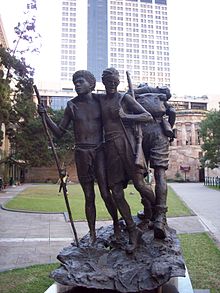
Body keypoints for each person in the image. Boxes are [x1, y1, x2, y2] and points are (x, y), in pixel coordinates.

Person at [38, 70, 119, 244]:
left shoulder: (100, 101)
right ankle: (92, 234)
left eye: (80, 82)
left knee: (105, 193)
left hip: (99, 152)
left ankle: (117, 226)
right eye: (75, 83)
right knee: (89, 196)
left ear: (91, 84)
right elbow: (59, 132)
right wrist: (45, 117)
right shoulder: (71, 106)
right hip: (82, 153)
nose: (77, 85)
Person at [99, 67, 155, 252]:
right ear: (104, 82)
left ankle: (156, 213)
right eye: (109, 82)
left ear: (118, 82)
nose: (112, 85)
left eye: (115, 82)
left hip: (127, 145)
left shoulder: (124, 98)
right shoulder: (100, 100)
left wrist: (127, 116)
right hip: (110, 148)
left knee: (140, 185)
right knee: (116, 192)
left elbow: (147, 116)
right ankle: (132, 230)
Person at [135, 90, 176, 239]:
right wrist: (169, 128)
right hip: (160, 132)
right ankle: (159, 217)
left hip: (140, 134)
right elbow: (172, 112)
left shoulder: (137, 96)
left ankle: (149, 210)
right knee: (160, 175)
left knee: (139, 175)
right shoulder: (160, 97)